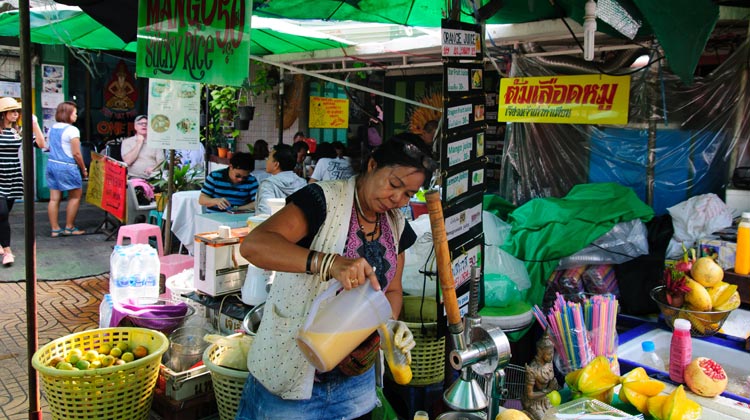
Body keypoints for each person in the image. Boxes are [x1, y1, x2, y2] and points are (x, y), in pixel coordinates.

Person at [236, 133, 437, 419]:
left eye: (407, 194)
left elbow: (391, 290)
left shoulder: (396, 225)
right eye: (394, 184)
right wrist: (329, 262)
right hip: (291, 377)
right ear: (372, 165)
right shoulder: (322, 200)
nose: (396, 198)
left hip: (354, 388)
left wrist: (387, 329)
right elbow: (254, 245)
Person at [0, 97, 45, 266]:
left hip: (12, 176)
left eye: (17, 111)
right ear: (3, 114)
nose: (16, 114)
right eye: (12, 111)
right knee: (2, 213)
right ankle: (7, 251)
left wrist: (35, 124)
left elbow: (41, 144)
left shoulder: (18, 131)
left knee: (4, 213)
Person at [46, 100, 88, 238]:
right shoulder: (72, 130)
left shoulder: (53, 128)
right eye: (75, 113)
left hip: (52, 164)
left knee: (54, 199)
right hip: (67, 166)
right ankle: (69, 227)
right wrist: (83, 169)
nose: (76, 116)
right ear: (68, 114)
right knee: (75, 196)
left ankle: (55, 229)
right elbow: (76, 153)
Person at [255, 144, 306, 215]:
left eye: (268, 158)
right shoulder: (303, 183)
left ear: (276, 164)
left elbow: (265, 214)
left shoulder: (268, 185)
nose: (266, 160)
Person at [522, 334, 559, 420]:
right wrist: (548, 390)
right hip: (533, 403)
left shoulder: (549, 363)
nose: (551, 356)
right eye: (549, 354)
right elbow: (530, 395)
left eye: (553, 353)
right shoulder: (533, 369)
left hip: (545, 399)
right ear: (540, 352)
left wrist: (554, 385)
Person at [120, 115, 164, 179]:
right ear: (135, 127)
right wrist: (139, 142)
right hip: (133, 178)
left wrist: (154, 168)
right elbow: (128, 161)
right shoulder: (127, 142)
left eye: (146, 124)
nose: (144, 125)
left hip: (153, 178)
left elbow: (162, 162)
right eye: (140, 123)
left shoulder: (155, 142)